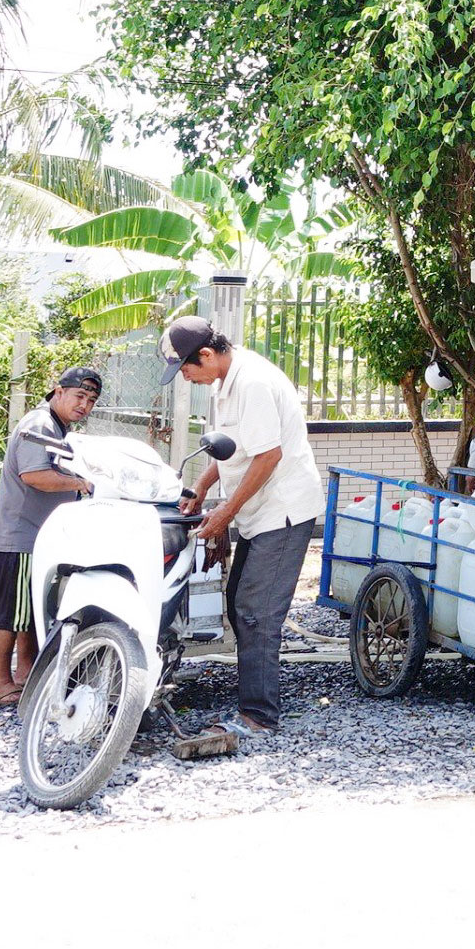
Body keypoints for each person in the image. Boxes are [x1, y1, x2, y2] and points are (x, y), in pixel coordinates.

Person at [159, 315, 323, 756]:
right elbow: (228, 446)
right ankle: (253, 700)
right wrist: (203, 488)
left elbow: (268, 456)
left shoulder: (251, 383)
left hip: (283, 511)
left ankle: (259, 715)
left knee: (256, 610)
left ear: (207, 355)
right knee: (240, 600)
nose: (186, 379)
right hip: (258, 511)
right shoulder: (223, 381)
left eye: (187, 370)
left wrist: (224, 514)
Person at [0, 366, 101, 705]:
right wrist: (81, 483)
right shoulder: (40, 424)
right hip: (18, 537)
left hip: (39, 538)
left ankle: (25, 674)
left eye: (91, 400)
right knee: (7, 614)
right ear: (58, 391)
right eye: (79, 396)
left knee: (29, 613)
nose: (84, 405)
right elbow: (34, 475)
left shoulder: (59, 428)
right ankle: (0, 685)